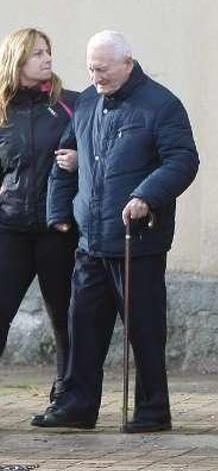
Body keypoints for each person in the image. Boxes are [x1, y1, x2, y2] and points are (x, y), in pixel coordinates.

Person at [35, 30, 199, 432]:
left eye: (103, 69)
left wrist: (147, 195)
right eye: (91, 69)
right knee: (83, 327)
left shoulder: (161, 105)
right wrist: (59, 213)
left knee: (144, 331)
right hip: (90, 241)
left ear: (128, 64)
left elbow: (182, 160)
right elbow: (63, 161)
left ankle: (152, 409)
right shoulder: (88, 102)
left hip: (137, 241)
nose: (96, 78)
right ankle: (76, 405)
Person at [0, 28, 78, 419]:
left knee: (63, 315)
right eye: (37, 54)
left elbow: (99, 155)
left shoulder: (72, 105)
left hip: (57, 229)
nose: (47, 59)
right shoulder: (2, 110)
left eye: (48, 52)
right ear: (17, 60)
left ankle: (65, 397)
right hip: (9, 229)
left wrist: (78, 164)